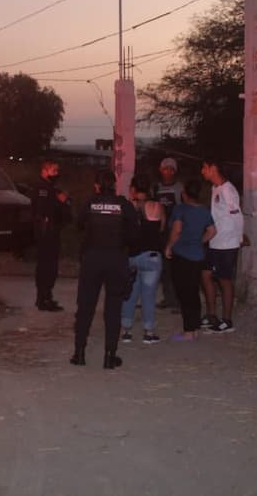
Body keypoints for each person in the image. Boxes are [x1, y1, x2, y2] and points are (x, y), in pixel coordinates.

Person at [71, 169, 138, 369]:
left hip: (92, 258)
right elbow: (135, 234)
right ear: (114, 185)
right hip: (116, 258)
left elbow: (79, 225)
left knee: (85, 307)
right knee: (113, 309)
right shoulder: (124, 205)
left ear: (98, 185)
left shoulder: (90, 203)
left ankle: (79, 353)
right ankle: (110, 356)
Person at [164, 179, 215, 342]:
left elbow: (176, 230)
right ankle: (194, 328)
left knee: (184, 292)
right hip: (197, 255)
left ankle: (188, 330)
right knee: (193, 291)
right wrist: (200, 241)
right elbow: (212, 231)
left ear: (184, 194)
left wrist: (169, 246)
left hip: (182, 255)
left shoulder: (181, 209)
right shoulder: (204, 211)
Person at [120, 174, 165, 344]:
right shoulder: (157, 206)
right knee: (149, 295)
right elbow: (160, 229)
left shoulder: (128, 207)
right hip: (152, 257)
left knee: (130, 295)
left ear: (133, 189)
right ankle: (148, 332)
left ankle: (126, 331)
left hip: (132, 256)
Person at [200, 158, 243, 333]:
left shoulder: (228, 190)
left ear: (213, 168)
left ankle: (227, 320)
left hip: (226, 243)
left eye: (204, 168)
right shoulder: (214, 188)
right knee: (206, 274)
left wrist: (239, 237)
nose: (202, 171)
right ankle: (211, 314)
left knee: (224, 280)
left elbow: (237, 215)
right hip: (214, 241)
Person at [32, 158, 71, 311]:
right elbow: (43, 211)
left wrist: (64, 202)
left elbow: (64, 207)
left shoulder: (52, 188)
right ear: (45, 171)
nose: (57, 173)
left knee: (51, 267)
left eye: (57, 171)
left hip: (53, 231)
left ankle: (47, 296)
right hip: (45, 232)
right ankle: (43, 298)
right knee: (45, 267)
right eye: (54, 171)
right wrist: (60, 202)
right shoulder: (41, 188)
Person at [154, 158, 184, 312]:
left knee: (176, 267)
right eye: (165, 168)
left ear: (175, 171)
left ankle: (178, 300)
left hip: (175, 231)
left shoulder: (179, 188)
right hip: (160, 232)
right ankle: (168, 297)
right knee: (163, 267)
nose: (168, 171)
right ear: (161, 170)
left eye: (171, 169)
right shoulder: (156, 188)